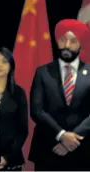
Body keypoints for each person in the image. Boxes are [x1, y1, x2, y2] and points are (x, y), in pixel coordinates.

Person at [29, 19, 90, 171]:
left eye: (73, 41)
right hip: (47, 148)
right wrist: (61, 135)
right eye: (63, 40)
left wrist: (72, 138)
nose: (67, 45)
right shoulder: (42, 72)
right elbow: (37, 110)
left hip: (81, 149)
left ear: (80, 44)